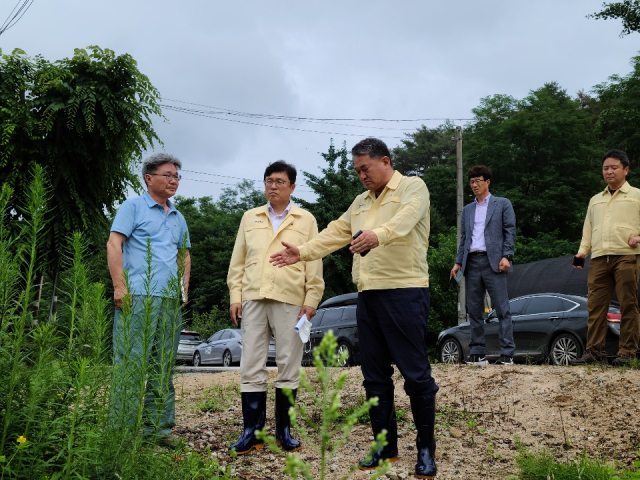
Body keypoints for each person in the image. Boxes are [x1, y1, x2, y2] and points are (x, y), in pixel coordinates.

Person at [270, 138, 438, 479]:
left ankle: (425, 449)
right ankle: (384, 445)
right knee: (374, 376)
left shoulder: (412, 187)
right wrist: (300, 252)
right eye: (357, 170)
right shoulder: (360, 202)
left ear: (385, 161)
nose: (361, 175)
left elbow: (405, 220)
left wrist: (379, 234)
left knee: (416, 374)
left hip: (405, 292)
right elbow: (334, 234)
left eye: (365, 168)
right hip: (369, 297)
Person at [227, 160, 324, 454]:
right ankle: (252, 432)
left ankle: (284, 431)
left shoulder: (305, 219)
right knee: (251, 364)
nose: (273, 186)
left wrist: (311, 300)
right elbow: (238, 261)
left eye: (280, 181)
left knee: (288, 365)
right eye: (269, 181)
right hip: (254, 299)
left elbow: (314, 261)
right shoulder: (250, 217)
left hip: (290, 300)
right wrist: (235, 295)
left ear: (292, 187)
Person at [106, 153, 191, 447]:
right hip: (137, 296)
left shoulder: (179, 217)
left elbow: (184, 255)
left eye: (177, 176)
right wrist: (119, 287)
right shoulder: (133, 207)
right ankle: (121, 432)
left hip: (169, 300)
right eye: (167, 175)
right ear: (149, 178)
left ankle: (158, 430)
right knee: (130, 364)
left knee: (163, 365)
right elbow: (114, 243)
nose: (173, 180)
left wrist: (183, 291)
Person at [571, 149, 640, 366]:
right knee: (595, 306)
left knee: (628, 304)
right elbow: (588, 230)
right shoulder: (595, 200)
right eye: (605, 168)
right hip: (599, 257)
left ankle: (628, 352)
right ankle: (595, 352)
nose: (609, 172)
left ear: (626, 170)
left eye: (614, 167)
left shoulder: (636, 195)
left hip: (626, 256)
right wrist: (582, 253)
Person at [450, 165, 516, 365]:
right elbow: (463, 238)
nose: (474, 185)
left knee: (502, 309)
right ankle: (478, 353)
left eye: (478, 180)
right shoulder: (468, 210)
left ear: (487, 182)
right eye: (471, 181)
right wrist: (458, 262)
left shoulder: (502, 204)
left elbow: (510, 231)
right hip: (472, 262)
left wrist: (507, 256)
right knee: (475, 310)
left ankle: (507, 353)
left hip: (494, 261)